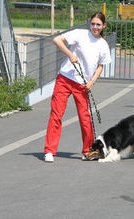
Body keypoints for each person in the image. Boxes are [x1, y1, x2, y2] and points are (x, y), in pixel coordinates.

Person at [44, 12, 111, 162]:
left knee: (85, 117)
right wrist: (70, 54)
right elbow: (57, 40)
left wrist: (92, 81)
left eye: (98, 24)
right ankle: (49, 151)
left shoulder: (103, 45)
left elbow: (100, 66)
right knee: (56, 114)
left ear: (103, 26)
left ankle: (88, 151)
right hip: (65, 79)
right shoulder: (80, 34)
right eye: (93, 23)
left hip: (83, 84)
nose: (95, 27)